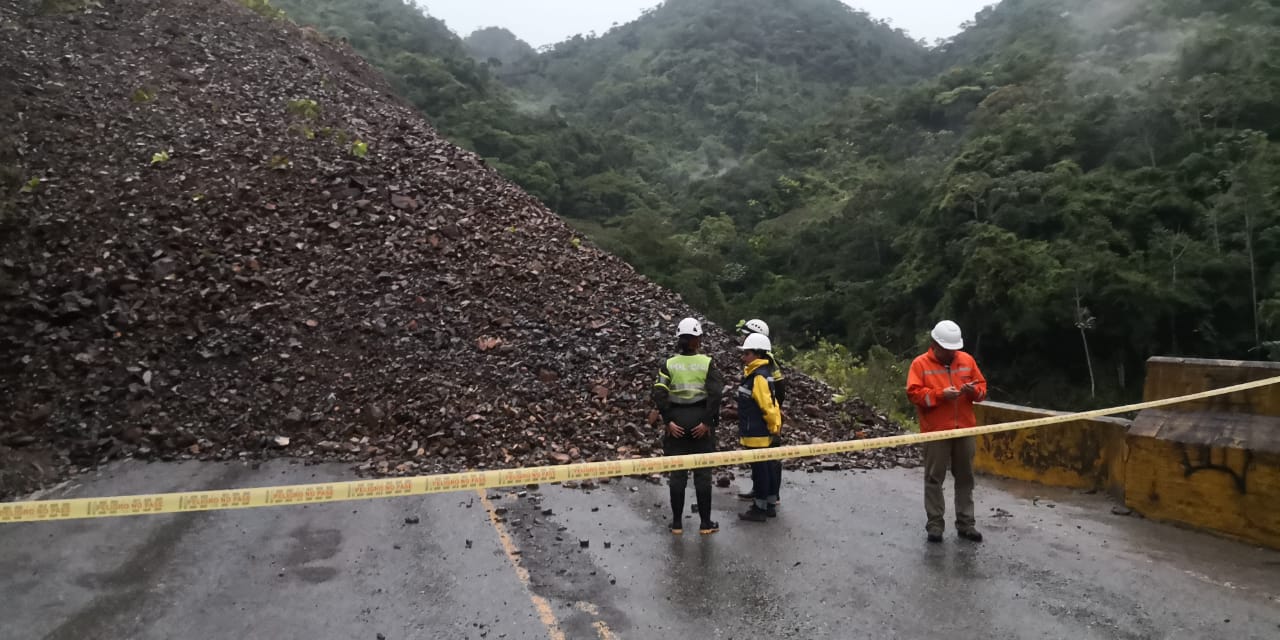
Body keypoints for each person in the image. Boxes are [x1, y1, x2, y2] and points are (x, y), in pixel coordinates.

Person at [906, 320, 988, 543]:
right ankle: (935, 525)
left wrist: (973, 392)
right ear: (935, 344)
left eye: (954, 349)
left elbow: (982, 390)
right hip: (936, 431)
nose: (951, 353)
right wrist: (941, 395)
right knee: (934, 478)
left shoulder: (967, 360)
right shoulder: (920, 364)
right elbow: (914, 394)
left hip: (964, 428)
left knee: (965, 477)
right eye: (946, 349)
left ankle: (966, 524)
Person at [652, 317, 724, 535]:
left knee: (678, 475)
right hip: (700, 419)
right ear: (697, 340)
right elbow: (716, 393)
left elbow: (659, 392)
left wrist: (668, 421)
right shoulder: (707, 362)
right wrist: (707, 422)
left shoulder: (669, 364)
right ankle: (705, 524)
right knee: (702, 475)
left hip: (677, 421)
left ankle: (676, 524)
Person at [734, 319, 786, 503]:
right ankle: (761, 493)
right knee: (761, 463)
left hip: (767, 418)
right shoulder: (755, 362)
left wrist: (771, 413)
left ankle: (769, 497)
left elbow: (778, 391)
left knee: (768, 462)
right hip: (766, 415)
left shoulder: (767, 365)